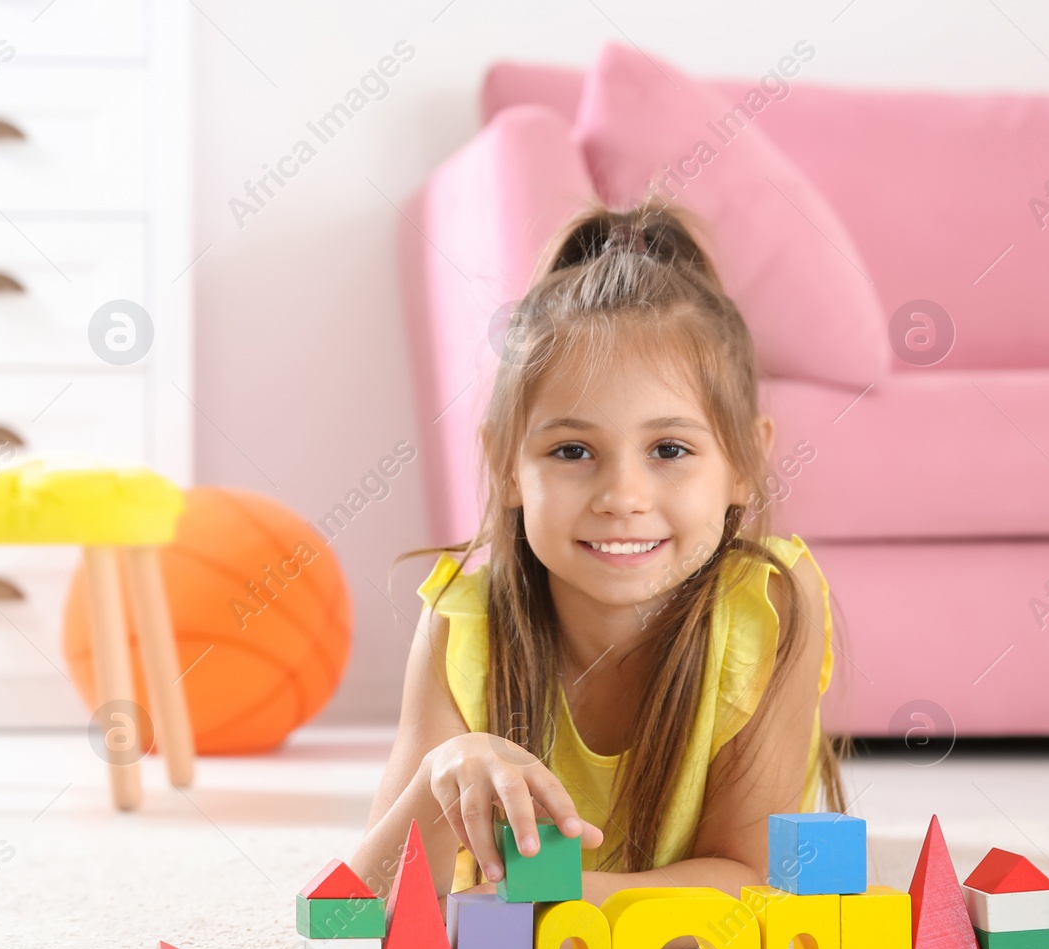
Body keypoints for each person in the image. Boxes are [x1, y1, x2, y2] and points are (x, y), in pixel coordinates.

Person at [351, 199, 847, 906]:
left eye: (669, 449)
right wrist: (442, 773)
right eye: (572, 450)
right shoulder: (461, 624)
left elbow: (753, 880)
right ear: (504, 467)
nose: (623, 494)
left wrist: (547, 903)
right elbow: (358, 914)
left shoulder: (768, 606)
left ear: (744, 462)